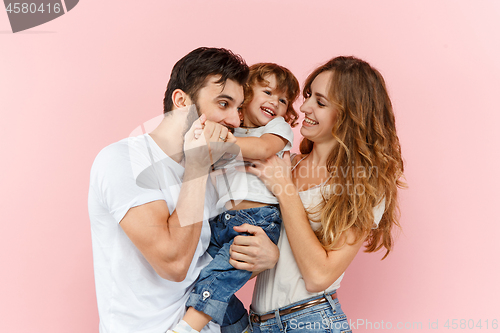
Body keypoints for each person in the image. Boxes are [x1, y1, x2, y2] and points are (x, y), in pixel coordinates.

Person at [88, 47, 279, 333]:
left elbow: (210, 267)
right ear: (181, 101)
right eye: (223, 104)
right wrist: (198, 166)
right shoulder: (124, 160)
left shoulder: (216, 173)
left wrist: (266, 258)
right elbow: (174, 264)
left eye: (238, 109)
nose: (235, 121)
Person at [231, 56, 405, 332]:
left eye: (320, 103)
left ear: (351, 114)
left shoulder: (364, 186)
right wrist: (265, 258)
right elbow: (262, 254)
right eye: (309, 95)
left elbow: (318, 276)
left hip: (310, 322)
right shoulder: (283, 162)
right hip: (257, 323)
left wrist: (285, 191)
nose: (304, 107)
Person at [170, 63, 300, 333]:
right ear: (246, 94)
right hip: (219, 221)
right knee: (199, 276)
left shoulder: (276, 128)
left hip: (257, 220)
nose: (275, 102)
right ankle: (239, 326)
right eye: (267, 92)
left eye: (284, 100)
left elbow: (263, 149)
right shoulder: (231, 127)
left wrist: (220, 142)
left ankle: (186, 329)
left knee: (221, 277)